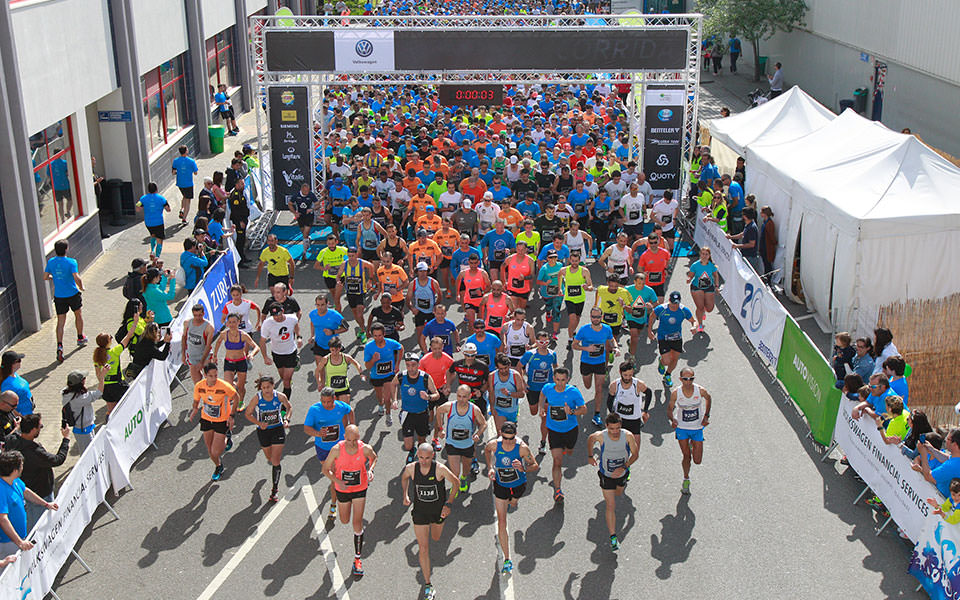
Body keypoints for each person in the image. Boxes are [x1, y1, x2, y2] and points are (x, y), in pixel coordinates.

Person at [400, 442, 460, 600]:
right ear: (417, 456)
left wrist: (449, 504)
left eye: (427, 458)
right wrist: (405, 494)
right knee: (424, 547)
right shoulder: (411, 468)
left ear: (433, 456)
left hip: (437, 512)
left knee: (436, 537)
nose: (424, 461)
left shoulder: (439, 469)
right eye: (420, 457)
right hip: (420, 513)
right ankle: (428, 584)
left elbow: (456, 483)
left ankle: (432, 531)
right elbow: (404, 478)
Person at [322, 424, 378, 578]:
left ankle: (357, 559)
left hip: (360, 488)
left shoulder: (365, 448)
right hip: (343, 490)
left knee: (357, 523)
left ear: (359, 438)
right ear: (344, 437)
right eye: (349, 440)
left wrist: (370, 470)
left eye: (355, 440)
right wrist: (336, 481)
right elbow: (325, 469)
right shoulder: (336, 450)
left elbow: (374, 457)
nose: (352, 443)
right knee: (345, 520)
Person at [483, 421, 539, 574]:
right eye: (505, 438)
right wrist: (490, 468)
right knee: (502, 521)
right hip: (501, 486)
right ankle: (507, 558)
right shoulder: (494, 445)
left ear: (516, 435)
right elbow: (486, 451)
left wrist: (523, 468)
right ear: (501, 434)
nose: (508, 441)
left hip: (518, 485)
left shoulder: (522, 448)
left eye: (511, 438)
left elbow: (535, 465)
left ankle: (514, 501)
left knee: (513, 504)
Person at [3, 413, 69, 532]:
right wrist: (66, 439)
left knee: (31, 520)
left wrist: (18, 428)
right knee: (41, 526)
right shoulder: (35, 451)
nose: (41, 428)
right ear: (33, 430)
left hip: (26, 490)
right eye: (40, 426)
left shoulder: (12, 440)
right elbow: (58, 460)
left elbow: (8, 438)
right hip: (41, 492)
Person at [587, 413, 640, 551]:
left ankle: (623, 483)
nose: (615, 432)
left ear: (620, 426)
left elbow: (635, 455)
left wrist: (624, 466)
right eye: (612, 429)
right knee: (611, 505)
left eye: (617, 428)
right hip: (606, 475)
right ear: (606, 427)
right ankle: (613, 537)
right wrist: (590, 456)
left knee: (619, 492)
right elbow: (590, 439)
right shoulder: (601, 436)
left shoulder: (627, 436)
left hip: (622, 473)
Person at [304, 386, 355, 518]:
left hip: (339, 447)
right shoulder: (314, 410)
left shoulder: (340, 406)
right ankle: (335, 492)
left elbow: (350, 411)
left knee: (335, 477)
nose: (326, 404)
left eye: (329, 402)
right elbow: (306, 428)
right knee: (332, 474)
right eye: (323, 401)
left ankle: (333, 504)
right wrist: (318, 433)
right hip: (323, 449)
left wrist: (351, 427)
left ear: (334, 399)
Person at [540, 368, 587, 503]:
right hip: (554, 430)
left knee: (569, 451)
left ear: (567, 380)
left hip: (570, 430)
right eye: (557, 379)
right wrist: (541, 407)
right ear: (553, 379)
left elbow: (584, 409)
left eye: (563, 380)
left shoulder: (573, 392)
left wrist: (571, 411)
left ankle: (566, 450)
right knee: (557, 461)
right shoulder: (548, 388)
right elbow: (542, 395)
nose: (560, 383)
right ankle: (558, 490)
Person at [0, 450, 58, 558]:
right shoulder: (1, 490)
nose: (23, 467)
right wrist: (19, 542)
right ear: (15, 470)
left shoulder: (15, 480)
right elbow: (3, 519)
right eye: (21, 465)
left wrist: (46, 504)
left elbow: (25, 491)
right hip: (8, 543)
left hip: (20, 538)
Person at [244, 375, 291, 502]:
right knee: (269, 458)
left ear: (273, 386)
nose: (266, 390)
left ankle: (274, 490)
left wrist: (286, 419)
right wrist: (259, 423)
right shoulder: (257, 399)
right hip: (263, 431)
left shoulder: (280, 396)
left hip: (278, 429)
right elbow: (247, 414)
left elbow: (289, 407)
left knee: (275, 460)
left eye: (268, 387)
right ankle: (256, 492)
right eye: (264, 388)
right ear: (260, 388)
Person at [188, 363, 238, 481]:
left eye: (215, 375)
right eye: (210, 376)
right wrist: (194, 409)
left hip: (221, 420)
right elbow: (196, 399)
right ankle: (218, 466)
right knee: (210, 449)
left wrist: (232, 416)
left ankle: (227, 436)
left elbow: (236, 398)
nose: (214, 378)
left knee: (216, 451)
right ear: (205, 375)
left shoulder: (224, 386)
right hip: (206, 419)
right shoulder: (199, 386)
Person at [668, 367, 712, 494]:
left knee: (697, 461)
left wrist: (706, 415)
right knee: (686, 456)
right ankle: (686, 479)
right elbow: (669, 409)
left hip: (697, 427)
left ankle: (693, 445)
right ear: (681, 379)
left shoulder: (700, 390)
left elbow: (709, 398)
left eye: (691, 379)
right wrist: (673, 420)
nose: (688, 381)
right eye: (685, 379)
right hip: (682, 427)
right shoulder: (676, 393)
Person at [392, 353, 440, 463]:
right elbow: (393, 384)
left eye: (413, 365)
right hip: (407, 414)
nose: (410, 368)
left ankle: (420, 456)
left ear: (418, 364)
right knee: (408, 445)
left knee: (422, 440)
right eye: (408, 365)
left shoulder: (425, 378)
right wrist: (394, 399)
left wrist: (428, 397)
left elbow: (436, 394)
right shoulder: (401, 376)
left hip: (421, 414)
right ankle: (412, 450)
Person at [44, 240, 87, 361]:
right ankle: (80, 337)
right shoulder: (71, 262)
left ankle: (60, 346)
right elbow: (76, 277)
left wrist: (55, 277)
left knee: (61, 321)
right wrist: (81, 286)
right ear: (66, 249)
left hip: (59, 296)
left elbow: (45, 277)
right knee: (78, 314)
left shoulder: (51, 262)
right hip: (72, 294)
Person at [573, 307, 616, 427]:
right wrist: (586, 348)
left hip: (600, 362)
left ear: (601, 317)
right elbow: (574, 345)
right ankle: (575, 390)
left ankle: (597, 414)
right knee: (587, 386)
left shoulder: (607, 329)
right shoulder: (584, 330)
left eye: (598, 317)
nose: (595, 319)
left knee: (599, 388)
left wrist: (616, 348)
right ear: (590, 316)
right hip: (586, 362)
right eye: (593, 317)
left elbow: (612, 340)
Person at [211, 313, 259, 415]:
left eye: (234, 322)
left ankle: (241, 401)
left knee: (241, 387)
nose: (232, 324)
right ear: (227, 323)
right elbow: (218, 342)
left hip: (241, 362)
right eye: (230, 322)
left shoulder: (243, 335)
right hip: (229, 362)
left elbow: (256, 347)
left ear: (239, 322)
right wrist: (215, 356)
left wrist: (251, 354)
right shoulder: (224, 334)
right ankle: (232, 397)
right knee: (228, 386)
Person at [649, 291, 696, 387]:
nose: (675, 305)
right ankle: (661, 361)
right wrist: (649, 330)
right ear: (669, 300)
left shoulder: (683, 310)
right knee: (667, 361)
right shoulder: (661, 309)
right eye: (673, 303)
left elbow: (693, 320)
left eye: (677, 303)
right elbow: (652, 316)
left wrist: (694, 326)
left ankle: (668, 375)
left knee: (675, 359)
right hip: (663, 337)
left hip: (677, 338)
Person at [259, 305, 301, 402]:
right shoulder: (268, 323)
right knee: (282, 377)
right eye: (274, 315)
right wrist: (265, 357)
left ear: (282, 311)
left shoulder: (292, 318)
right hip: (277, 353)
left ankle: (284, 406)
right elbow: (262, 341)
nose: (277, 317)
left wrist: (299, 337)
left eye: (278, 314)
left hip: (290, 351)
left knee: (286, 381)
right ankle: (293, 368)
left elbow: (296, 325)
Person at [61, 366, 108, 453]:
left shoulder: (67, 393)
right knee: (88, 453)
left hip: (84, 428)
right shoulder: (80, 398)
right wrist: (101, 378)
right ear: (80, 383)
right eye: (84, 378)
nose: (85, 379)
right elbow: (98, 393)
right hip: (84, 430)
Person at [364, 322, 404, 425]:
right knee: (379, 396)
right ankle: (380, 405)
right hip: (376, 376)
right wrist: (373, 360)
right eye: (375, 336)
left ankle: (388, 413)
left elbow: (401, 348)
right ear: (372, 335)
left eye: (380, 335)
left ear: (384, 334)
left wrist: (397, 364)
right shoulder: (369, 347)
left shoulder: (391, 343)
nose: (378, 338)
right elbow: (367, 366)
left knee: (387, 397)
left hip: (389, 375)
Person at [340, 246, 377, 341]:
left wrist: (370, 279)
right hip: (350, 292)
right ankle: (361, 327)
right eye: (349, 256)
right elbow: (338, 275)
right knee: (355, 314)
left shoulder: (361, 263)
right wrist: (338, 281)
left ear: (357, 254)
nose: (351, 258)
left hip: (360, 292)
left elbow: (371, 266)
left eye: (353, 256)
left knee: (360, 313)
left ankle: (363, 331)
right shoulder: (344, 264)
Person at [308, 292, 348, 375]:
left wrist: (333, 332)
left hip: (333, 346)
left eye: (322, 305)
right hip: (319, 345)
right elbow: (312, 323)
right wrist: (312, 336)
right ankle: (322, 386)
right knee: (320, 369)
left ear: (327, 304)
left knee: (334, 371)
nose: (320, 307)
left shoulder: (335, 315)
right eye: (318, 305)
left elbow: (346, 327)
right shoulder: (313, 314)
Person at [560, 251, 594, 348]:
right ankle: (570, 339)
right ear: (570, 260)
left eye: (576, 261)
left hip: (580, 299)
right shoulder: (564, 270)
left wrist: (587, 287)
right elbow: (558, 278)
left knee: (577, 319)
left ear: (579, 261)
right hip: (569, 299)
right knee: (572, 319)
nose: (574, 263)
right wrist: (559, 289)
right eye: (572, 261)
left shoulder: (584, 271)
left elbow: (591, 285)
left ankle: (573, 330)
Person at [609, 362, 652, 436]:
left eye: (630, 375)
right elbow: (609, 401)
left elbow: (649, 393)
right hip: (620, 419)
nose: (627, 378)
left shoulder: (638, 384)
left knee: (635, 447)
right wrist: (612, 413)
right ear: (620, 372)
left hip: (634, 419)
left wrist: (645, 411)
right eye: (625, 375)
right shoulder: (615, 385)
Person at [489, 355, 526, 436]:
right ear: (496, 367)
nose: (504, 371)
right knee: (501, 434)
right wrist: (492, 407)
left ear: (509, 365)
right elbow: (491, 393)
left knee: (510, 435)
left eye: (506, 368)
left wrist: (509, 394)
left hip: (512, 410)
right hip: (499, 409)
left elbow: (522, 394)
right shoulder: (492, 376)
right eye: (501, 369)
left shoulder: (515, 375)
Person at [687, 247, 719, 332]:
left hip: (709, 287)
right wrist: (689, 279)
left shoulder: (711, 265)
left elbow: (716, 275)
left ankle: (704, 311)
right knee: (700, 307)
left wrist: (716, 286)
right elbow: (691, 275)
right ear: (700, 254)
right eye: (703, 254)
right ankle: (700, 324)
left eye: (706, 254)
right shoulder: (695, 265)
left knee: (710, 308)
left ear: (709, 256)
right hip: (697, 287)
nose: (704, 256)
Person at [408, 262, 442, 342]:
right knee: (420, 335)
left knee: (434, 335)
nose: (422, 273)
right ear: (417, 272)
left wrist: (435, 307)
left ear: (427, 271)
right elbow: (408, 299)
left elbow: (440, 295)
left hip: (431, 312)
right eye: (420, 271)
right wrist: (412, 308)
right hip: (419, 311)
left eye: (424, 271)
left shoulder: (433, 282)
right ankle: (423, 352)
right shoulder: (413, 283)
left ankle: (432, 351)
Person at [182, 304, 216, 384]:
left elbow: (208, 346)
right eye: (195, 315)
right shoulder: (187, 323)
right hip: (192, 356)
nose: (197, 318)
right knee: (197, 384)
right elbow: (184, 338)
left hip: (205, 356)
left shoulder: (209, 327)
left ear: (204, 313)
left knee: (210, 381)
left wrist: (202, 362)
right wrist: (183, 354)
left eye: (200, 315)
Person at [455, 254, 491, 327]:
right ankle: (471, 337)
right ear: (468, 262)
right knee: (471, 323)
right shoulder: (463, 273)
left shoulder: (483, 273)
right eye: (471, 263)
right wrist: (457, 294)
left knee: (479, 324)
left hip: (481, 302)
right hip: (469, 301)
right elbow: (458, 281)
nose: (473, 265)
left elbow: (489, 286)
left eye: (475, 263)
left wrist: (482, 292)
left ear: (478, 262)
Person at [136, 182, 170, 257]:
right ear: (157, 189)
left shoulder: (143, 198)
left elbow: (138, 209)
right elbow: (168, 209)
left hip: (148, 222)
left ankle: (152, 251)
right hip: (159, 222)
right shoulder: (161, 198)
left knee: (153, 235)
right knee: (159, 240)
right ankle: (157, 256)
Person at [537, 249, 564, 339]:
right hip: (547, 292)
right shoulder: (544, 269)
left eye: (555, 257)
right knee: (549, 306)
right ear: (547, 258)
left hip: (558, 291)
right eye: (551, 257)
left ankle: (554, 333)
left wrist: (561, 288)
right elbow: (538, 281)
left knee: (556, 310)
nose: (553, 259)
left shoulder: (560, 265)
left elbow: (562, 276)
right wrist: (545, 283)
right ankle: (548, 311)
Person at [727, 207, 762, 274]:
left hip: (750, 256)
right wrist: (731, 237)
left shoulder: (752, 228)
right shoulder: (748, 224)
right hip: (747, 255)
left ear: (745, 216)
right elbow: (742, 234)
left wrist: (737, 246)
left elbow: (752, 244)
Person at [289, 183, 319, 260]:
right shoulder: (296, 195)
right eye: (305, 191)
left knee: (305, 234)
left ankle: (304, 252)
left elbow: (318, 205)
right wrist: (295, 212)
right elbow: (290, 204)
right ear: (301, 190)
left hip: (309, 216)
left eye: (308, 191)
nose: (307, 192)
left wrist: (312, 209)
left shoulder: (311, 195)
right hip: (300, 216)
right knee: (304, 233)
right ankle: (307, 240)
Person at [171, 145, 198, 223]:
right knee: (188, 200)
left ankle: (182, 209)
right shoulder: (191, 161)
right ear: (186, 151)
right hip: (188, 183)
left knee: (184, 196)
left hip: (179, 183)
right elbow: (195, 173)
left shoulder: (175, 161)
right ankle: (184, 218)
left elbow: (173, 172)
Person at [1, 352, 33, 416]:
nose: (20, 362)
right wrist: (20, 417)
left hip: (28, 411)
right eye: (19, 361)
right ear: (12, 364)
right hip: (23, 416)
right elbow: (6, 404)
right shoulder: (7, 384)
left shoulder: (14, 374)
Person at [758, 206, 777, 275]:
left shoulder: (769, 223)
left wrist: (774, 242)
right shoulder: (765, 222)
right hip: (764, 247)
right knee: (765, 263)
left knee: (767, 264)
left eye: (761, 212)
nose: (760, 213)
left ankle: (768, 278)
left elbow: (771, 236)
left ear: (765, 213)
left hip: (767, 248)